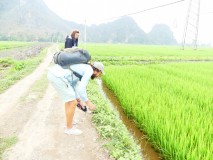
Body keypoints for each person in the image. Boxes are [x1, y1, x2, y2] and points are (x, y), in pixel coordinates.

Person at [47, 61, 104, 135]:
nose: (98, 75)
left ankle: (69, 121)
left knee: (70, 101)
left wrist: (78, 99)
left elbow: (73, 84)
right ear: (97, 70)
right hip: (58, 77)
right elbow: (81, 88)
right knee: (72, 103)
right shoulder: (89, 70)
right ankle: (69, 129)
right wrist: (87, 102)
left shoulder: (84, 67)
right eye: (100, 73)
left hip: (54, 74)